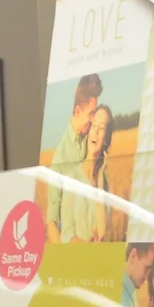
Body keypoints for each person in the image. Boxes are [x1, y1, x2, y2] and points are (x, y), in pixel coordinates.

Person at [42, 74, 103, 245]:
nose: (93, 121)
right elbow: (52, 221)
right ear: (77, 111)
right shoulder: (59, 159)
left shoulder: (93, 139)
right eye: (91, 114)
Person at [59, 103, 115, 246]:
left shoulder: (105, 184)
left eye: (101, 128)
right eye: (93, 126)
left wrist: (101, 180)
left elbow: (102, 234)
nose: (95, 132)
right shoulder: (72, 177)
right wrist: (87, 248)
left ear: (106, 140)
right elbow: (66, 234)